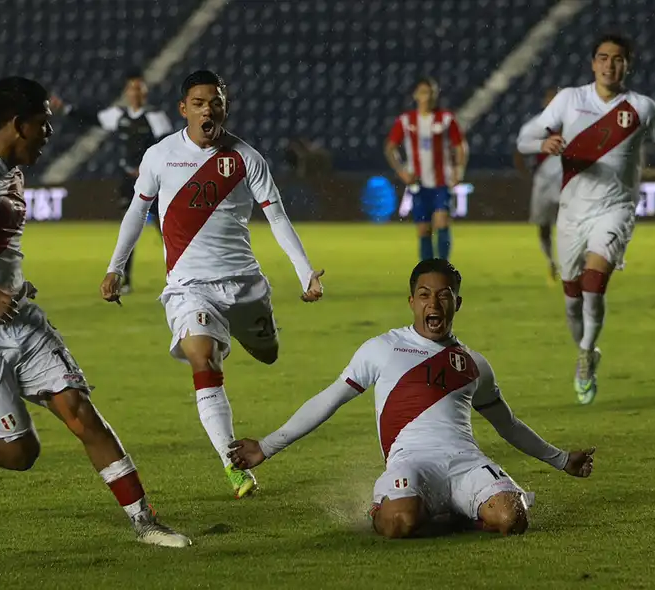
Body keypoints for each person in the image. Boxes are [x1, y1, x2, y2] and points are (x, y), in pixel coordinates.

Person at [0, 76, 190, 548]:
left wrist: (8, 285)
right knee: (20, 453)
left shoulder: (12, 170)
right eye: (44, 123)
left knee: (82, 414)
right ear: (18, 124)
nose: (49, 133)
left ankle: (146, 522)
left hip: (19, 317)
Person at [228, 259, 595, 538]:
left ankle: (450, 509)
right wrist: (267, 446)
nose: (433, 303)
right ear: (411, 301)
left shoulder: (474, 364)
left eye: (443, 295)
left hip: (465, 464)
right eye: (424, 295)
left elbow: (508, 425)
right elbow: (329, 400)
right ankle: (405, 508)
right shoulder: (382, 349)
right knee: (398, 523)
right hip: (413, 462)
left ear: (457, 302)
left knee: (513, 518)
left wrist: (562, 460)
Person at [100, 70, 325, 500]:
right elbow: (135, 213)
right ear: (183, 109)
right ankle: (232, 464)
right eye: (199, 103)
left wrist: (304, 272)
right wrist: (115, 266)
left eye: (215, 102)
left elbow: (276, 217)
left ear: (225, 106)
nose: (208, 109)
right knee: (203, 360)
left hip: (245, 287)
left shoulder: (246, 158)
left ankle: (256, 333)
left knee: (268, 354)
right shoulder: (159, 156)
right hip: (189, 288)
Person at [516, 33, 655, 404]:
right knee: (573, 298)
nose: (610, 65)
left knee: (594, 283)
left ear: (628, 65)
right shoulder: (569, 100)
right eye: (604, 58)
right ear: (593, 63)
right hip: (572, 213)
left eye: (618, 59)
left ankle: (586, 353)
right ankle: (586, 349)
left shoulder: (641, 108)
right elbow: (524, 139)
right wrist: (540, 144)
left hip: (616, 209)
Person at [51, 72, 173, 294]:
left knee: (165, 228)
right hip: (128, 181)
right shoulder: (118, 115)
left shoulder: (157, 117)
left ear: (145, 92)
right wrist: (65, 109)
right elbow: (92, 117)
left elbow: (168, 148)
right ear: (126, 92)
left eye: (139, 88)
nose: (135, 92)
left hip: (153, 180)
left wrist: (150, 167)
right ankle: (125, 279)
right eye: (131, 88)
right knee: (130, 229)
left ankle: (177, 274)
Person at [385, 77, 468, 261]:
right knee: (423, 229)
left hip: (441, 182)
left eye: (430, 92)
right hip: (418, 183)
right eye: (423, 92)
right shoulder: (406, 121)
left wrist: (458, 171)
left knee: (442, 221)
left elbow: (460, 146)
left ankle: (443, 266)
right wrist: (401, 172)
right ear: (416, 95)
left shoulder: (446, 119)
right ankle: (427, 270)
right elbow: (390, 148)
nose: (427, 96)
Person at [514, 89, 562, 285]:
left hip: (567, 181)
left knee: (570, 224)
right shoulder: (534, 126)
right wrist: (526, 174)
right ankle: (551, 261)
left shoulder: (575, 124)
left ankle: (572, 264)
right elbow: (518, 150)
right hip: (543, 181)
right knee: (543, 226)